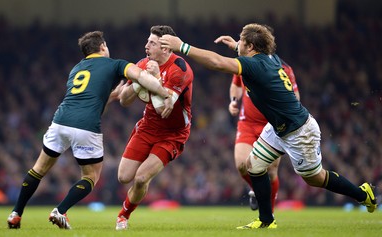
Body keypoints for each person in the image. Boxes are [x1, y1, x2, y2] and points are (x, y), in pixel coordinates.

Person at [160, 23, 377, 229]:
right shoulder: (271, 58)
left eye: (242, 41)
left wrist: (182, 46)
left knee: (314, 178)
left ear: (251, 46)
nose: (239, 44)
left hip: (299, 131)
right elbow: (248, 55)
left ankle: (362, 193)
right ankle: (266, 220)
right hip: (277, 127)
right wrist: (236, 46)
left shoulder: (254, 65)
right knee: (253, 166)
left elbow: (217, 62)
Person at [7, 31, 173, 230]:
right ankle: (60, 211)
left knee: (38, 169)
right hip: (85, 126)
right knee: (90, 177)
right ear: (102, 46)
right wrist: (164, 93)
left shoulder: (76, 69)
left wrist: (111, 96)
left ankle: (16, 213)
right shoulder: (115, 64)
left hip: (60, 121)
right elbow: (141, 76)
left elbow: (89, 99)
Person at [115, 25, 194, 230]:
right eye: (147, 41)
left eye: (152, 43)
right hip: (147, 128)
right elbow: (123, 100)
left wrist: (156, 79)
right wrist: (141, 81)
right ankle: (135, 195)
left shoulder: (181, 70)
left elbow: (163, 110)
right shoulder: (142, 64)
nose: (146, 46)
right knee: (123, 177)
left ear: (166, 48)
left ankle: (123, 215)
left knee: (141, 178)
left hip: (172, 134)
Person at [229, 58, 300, 212]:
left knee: (271, 170)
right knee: (242, 165)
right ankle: (256, 189)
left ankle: (269, 213)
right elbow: (236, 84)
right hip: (247, 123)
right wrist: (234, 101)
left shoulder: (284, 68)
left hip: (272, 124)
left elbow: (295, 97)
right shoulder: (244, 63)